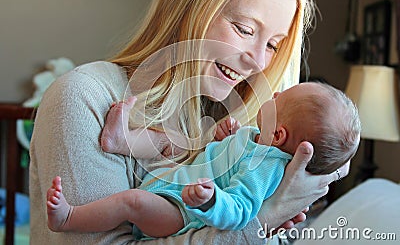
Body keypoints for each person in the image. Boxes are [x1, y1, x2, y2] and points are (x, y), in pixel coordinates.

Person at [29, 0, 349, 244]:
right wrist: (265, 220)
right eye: (245, 29)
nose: (259, 62)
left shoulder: (238, 126)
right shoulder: (83, 96)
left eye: (273, 45)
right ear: (191, 7)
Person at [46, 82, 360, 239]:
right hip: (175, 181)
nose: (273, 95)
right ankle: (118, 140)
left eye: (279, 100)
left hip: (181, 213)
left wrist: (211, 201)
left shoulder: (266, 168)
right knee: (176, 142)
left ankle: (68, 217)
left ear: (278, 135)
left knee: (132, 202)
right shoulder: (254, 137)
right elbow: (223, 160)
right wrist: (225, 138)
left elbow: (240, 211)